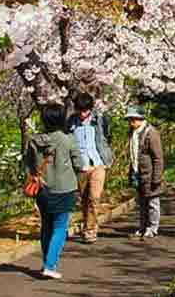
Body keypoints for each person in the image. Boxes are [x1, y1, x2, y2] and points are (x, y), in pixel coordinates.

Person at [24, 102, 84, 279]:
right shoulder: (68, 139)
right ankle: (50, 265)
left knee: (47, 227)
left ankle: (47, 262)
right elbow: (79, 164)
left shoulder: (34, 141)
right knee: (60, 228)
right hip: (65, 189)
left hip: (43, 190)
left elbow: (29, 164)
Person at [68, 91, 109, 242]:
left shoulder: (99, 120)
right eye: (80, 110)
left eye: (86, 110)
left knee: (94, 197)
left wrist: (106, 156)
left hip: (98, 163)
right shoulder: (71, 122)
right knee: (85, 199)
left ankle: (90, 230)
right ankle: (88, 225)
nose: (83, 113)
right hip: (81, 165)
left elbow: (106, 137)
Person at [124, 107, 164, 239]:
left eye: (132, 119)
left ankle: (152, 228)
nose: (130, 122)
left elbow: (158, 158)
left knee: (152, 201)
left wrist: (156, 177)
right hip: (138, 172)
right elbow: (133, 154)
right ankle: (143, 227)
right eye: (129, 119)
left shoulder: (151, 133)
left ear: (140, 119)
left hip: (150, 173)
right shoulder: (133, 132)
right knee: (142, 202)